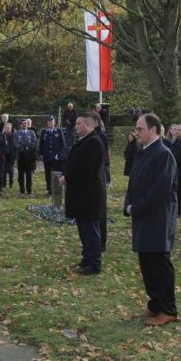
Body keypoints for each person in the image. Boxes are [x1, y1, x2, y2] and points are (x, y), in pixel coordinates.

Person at [124, 113, 179, 325]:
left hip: (158, 218)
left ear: (154, 129)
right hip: (143, 216)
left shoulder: (163, 154)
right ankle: (155, 304)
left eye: (140, 129)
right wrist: (128, 203)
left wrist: (136, 207)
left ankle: (168, 309)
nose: (136, 132)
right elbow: (133, 180)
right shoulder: (143, 151)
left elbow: (161, 190)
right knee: (146, 263)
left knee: (159, 265)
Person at [62, 113, 107, 275]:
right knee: (84, 229)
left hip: (89, 195)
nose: (76, 126)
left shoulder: (93, 142)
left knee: (91, 230)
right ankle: (87, 258)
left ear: (89, 125)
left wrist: (68, 177)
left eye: (79, 123)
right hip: (82, 194)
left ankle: (94, 263)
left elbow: (85, 167)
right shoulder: (85, 141)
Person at [40, 116, 66, 195]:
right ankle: (49, 189)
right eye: (49, 122)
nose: (50, 123)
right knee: (47, 174)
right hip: (47, 156)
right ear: (47, 123)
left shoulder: (58, 131)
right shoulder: (44, 132)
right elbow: (41, 144)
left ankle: (57, 188)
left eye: (52, 122)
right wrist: (41, 154)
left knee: (57, 173)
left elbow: (63, 144)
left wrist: (60, 155)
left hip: (56, 157)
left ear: (54, 123)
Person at [13, 118, 39, 194]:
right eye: (23, 123)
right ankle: (22, 190)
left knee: (29, 175)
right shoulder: (17, 133)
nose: (24, 124)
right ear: (20, 125)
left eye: (25, 123)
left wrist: (28, 149)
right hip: (20, 157)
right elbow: (15, 143)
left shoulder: (32, 133)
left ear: (27, 124)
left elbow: (34, 143)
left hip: (29, 157)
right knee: (20, 175)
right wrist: (21, 149)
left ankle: (29, 190)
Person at [2, 121, 17, 189]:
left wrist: (15, 156)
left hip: (11, 155)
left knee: (11, 170)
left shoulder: (13, 136)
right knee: (3, 170)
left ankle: (11, 183)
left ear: (11, 128)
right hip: (3, 155)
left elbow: (15, 146)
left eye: (9, 128)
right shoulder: (2, 135)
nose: (8, 129)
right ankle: (4, 183)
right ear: (5, 128)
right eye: (7, 128)